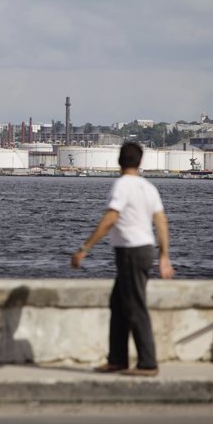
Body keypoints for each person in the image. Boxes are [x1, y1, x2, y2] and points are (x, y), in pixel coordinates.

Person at [71, 142, 175, 377]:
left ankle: (148, 363)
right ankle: (117, 360)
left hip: (131, 251)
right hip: (144, 249)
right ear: (140, 162)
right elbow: (161, 221)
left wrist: (84, 248)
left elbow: (110, 218)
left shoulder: (122, 185)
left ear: (119, 161)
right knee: (118, 304)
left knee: (135, 306)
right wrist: (164, 256)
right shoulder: (148, 188)